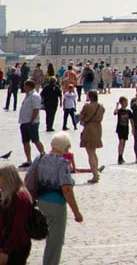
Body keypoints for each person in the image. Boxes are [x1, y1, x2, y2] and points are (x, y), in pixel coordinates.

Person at [32, 134, 84, 265]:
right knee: (55, 241)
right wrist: (76, 212)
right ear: (64, 147)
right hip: (56, 206)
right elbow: (66, 189)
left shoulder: (39, 158)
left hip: (40, 203)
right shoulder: (62, 163)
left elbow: (29, 178)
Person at [0, 161, 36, 265]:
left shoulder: (20, 197)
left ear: (7, 178)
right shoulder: (8, 194)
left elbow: (18, 226)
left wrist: (6, 251)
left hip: (15, 246)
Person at [78, 90, 105, 183]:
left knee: (90, 153)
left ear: (90, 97)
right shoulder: (101, 107)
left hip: (89, 128)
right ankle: (96, 172)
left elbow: (80, 117)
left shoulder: (87, 106)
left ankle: (95, 175)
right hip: (98, 128)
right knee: (93, 152)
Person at [18, 82, 43, 168]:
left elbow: (36, 109)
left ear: (29, 86)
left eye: (24, 85)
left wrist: (32, 120)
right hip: (24, 122)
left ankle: (44, 156)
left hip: (31, 122)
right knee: (25, 141)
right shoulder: (28, 95)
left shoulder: (35, 96)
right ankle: (29, 160)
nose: (23, 87)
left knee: (35, 140)